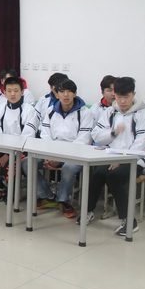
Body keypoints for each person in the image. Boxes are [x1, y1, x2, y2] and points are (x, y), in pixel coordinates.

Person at [80, 77, 145, 235]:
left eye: (126, 97)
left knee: (113, 177)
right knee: (97, 174)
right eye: (119, 97)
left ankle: (129, 221)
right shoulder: (110, 112)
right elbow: (97, 135)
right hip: (110, 157)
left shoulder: (143, 115)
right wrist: (113, 133)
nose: (122, 101)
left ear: (133, 94)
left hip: (135, 161)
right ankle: (88, 211)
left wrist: (121, 159)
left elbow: (142, 144)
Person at [37, 79, 93, 218]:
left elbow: (83, 140)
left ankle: (63, 201)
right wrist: (49, 156)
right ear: (57, 94)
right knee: (27, 163)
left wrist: (60, 158)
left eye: (69, 91)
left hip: (75, 154)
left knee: (68, 168)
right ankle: (48, 196)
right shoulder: (50, 111)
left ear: (75, 94)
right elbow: (45, 135)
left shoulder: (84, 113)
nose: (65, 95)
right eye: (62, 92)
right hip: (51, 152)